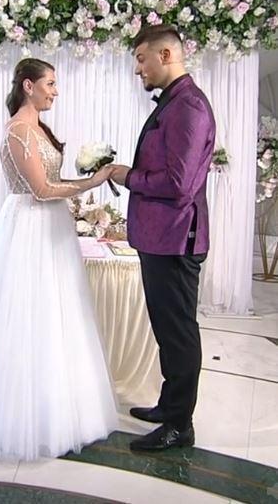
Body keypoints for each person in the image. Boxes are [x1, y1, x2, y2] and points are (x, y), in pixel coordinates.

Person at [0, 58, 118, 461]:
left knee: (59, 314)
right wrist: (92, 182)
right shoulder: (19, 131)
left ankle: (59, 412)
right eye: (50, 84)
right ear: (29, 86)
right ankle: (23, 419)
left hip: (50, 227)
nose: (55, 91)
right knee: (29, 317)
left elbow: (50, 183)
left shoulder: (38, 128)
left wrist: (86, 178)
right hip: (29, 228)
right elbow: (41, 190)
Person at [109, 25, 216, 451]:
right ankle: (170, 405)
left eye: (141, 59)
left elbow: (179, 184)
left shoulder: (188, 107)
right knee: (167, 330)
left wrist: (128, 176)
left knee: (179, 333)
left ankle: (179, 425)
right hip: (160, 238)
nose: (138, 69)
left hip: (175, 240)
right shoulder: (173, 102)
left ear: (166, 55)